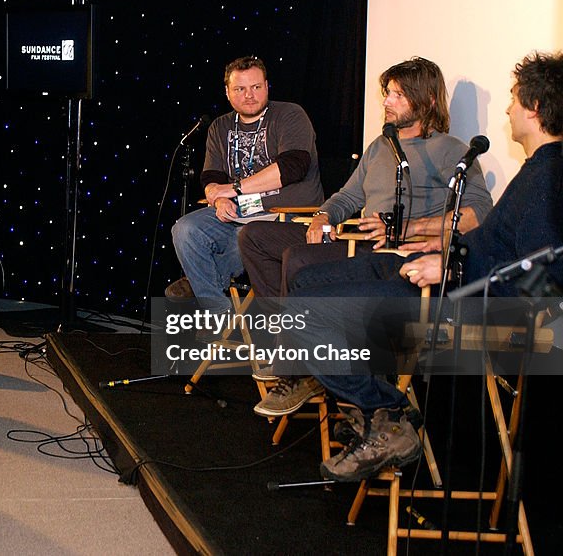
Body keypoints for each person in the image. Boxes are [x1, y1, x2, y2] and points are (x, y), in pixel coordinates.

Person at [256, 51, 563, 482]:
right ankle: (374, 411)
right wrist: (447, 256)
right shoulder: (538, 173)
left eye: (514, 99)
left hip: (465, 311)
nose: (509, 109)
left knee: (309, 310)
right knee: (305, 281)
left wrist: (452, 269)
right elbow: (497, 247)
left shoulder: (547, 180)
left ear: (533, 109)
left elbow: (543, 281)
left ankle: (386, 413)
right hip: (425, 273)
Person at [238, 57, 494, 298]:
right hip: (358, 241)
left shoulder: (451, 149)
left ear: (427, 102)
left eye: (398, 95)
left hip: (398, 251)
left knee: (298, 258)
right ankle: (277, 322)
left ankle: (291, 331)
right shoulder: (381, 145)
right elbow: (348, 197)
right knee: (253, 235)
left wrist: (411, 228)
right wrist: (322, 217)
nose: (386, 102)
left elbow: (478, 213)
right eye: (387, 94)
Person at [170, 56, 324, 308]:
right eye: (240, 89)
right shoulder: (220, 126)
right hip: (239, 211)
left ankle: (201, 284)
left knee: (247, 235)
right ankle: (218, 313)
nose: (249, 95)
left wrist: (232, 189)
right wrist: (218, 197)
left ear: (267, 86)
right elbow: (211, 177)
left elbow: (292, 168)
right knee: (184, 229)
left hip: (283, 215)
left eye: (256, 87)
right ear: (227, 92)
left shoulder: (290, 114)